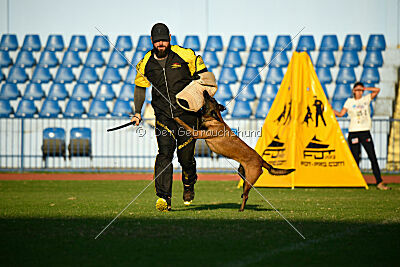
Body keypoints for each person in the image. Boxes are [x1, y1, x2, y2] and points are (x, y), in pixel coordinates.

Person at [130, 23, 208, 211]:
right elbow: (140, 87)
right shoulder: (145, 63)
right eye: (157, 41)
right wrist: (138, 112)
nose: (161, 44)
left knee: (186, 159)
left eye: (164, 40)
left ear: (170, 38)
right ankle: (164, 198)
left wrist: (205, 103)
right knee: (164, 154)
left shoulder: (186, 55)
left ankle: (189, 184)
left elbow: (204, 77)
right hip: (163, 116)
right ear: (152, 41)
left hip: (187, 117)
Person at [333, 82, 390, 190]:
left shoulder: (366, 99)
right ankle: (355, 182)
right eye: (357, 90)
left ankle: (379, 182)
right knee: (355, 158)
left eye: (361, 90)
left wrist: (365, 88)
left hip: (365, 132)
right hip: (354, 132)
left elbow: (377, 90)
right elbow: (341, 114)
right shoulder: (349, 102)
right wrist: (331, 110)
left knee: (372, 157)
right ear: (353, 91)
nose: (359, 92)